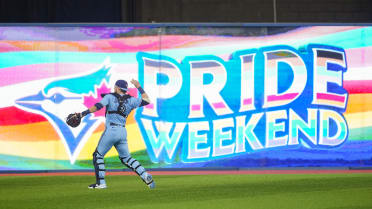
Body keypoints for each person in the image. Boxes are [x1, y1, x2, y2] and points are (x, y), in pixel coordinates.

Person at [73, 79, 154, 189]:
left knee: (98, 155)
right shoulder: (131, 100)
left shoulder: (110, 97)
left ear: (116, 87)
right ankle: (145, 175)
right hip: (122, 131)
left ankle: (101, 183)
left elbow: (98, 106)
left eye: (114, 86)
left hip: (111, 129)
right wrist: (138, 86)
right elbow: (147, 100)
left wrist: (82, 114)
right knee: (127, 158)